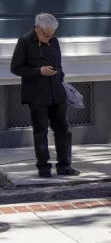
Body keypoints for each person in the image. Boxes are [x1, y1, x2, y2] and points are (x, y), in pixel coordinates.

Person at [9, 14, 79, 178]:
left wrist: (60, 78)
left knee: (63, 129)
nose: (50, 37)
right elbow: (16, 68)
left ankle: (64, 165)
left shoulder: (54, 41)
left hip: (56, 92)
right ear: (37, 28)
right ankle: (43, 167)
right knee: (40, 131)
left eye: (52, 34)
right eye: (47, 34)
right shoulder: (24, 41)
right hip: (36, 94)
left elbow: (59, 65)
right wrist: (39, 71)